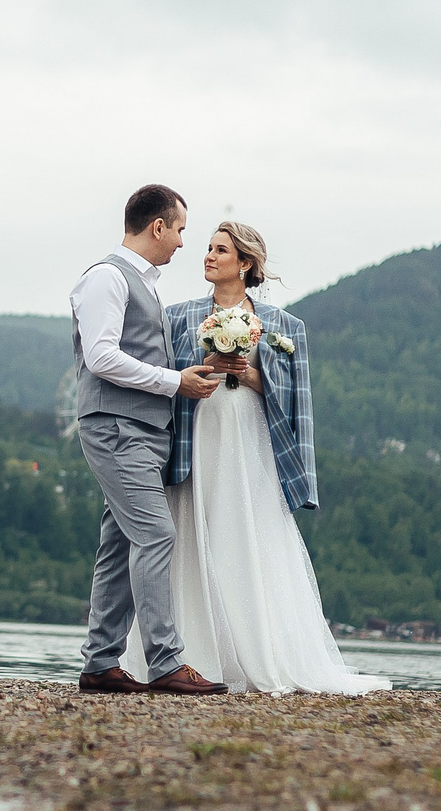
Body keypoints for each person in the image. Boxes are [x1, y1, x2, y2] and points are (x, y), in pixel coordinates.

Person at [122, 220, 387, 695]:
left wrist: (249, 376)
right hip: (195, 435)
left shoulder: (285, 327)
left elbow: (295, 399)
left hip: (248, 438)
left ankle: (255, 654)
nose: (207, 256)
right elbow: (164, 377)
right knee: (188, 535)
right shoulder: (178, 316)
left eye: (220, 250)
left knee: (247, 530)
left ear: (244, 264)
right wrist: (204, 367)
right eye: (206, 248)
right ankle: (181, 657)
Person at [69, 185, 227, 697]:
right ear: (157, 226)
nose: (183, 242)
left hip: (140, 430)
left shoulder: (139, 282)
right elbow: (101, 357)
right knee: (156, 535)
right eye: (180, 230)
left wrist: (183, 377)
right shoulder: (106, 279)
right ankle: (165, 662)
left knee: (120, 543)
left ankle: (99, 664)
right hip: (116, 427)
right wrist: (174, 381)